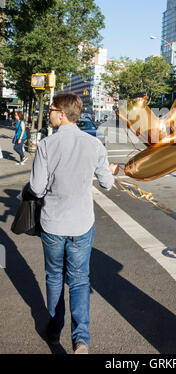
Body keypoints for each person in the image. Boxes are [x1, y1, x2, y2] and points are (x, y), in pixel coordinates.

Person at [29, 93, 119, 354]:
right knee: (80, 280)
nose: (49, 113)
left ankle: (55, 329)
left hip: (53, 224)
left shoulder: (47, 145)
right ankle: (81, 340)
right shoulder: (94, 145)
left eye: (51, 109)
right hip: (81, 223)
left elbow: (36, 188)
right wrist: (109, 170)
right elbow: (107, 183)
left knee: (54, 277)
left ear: (61, 113)